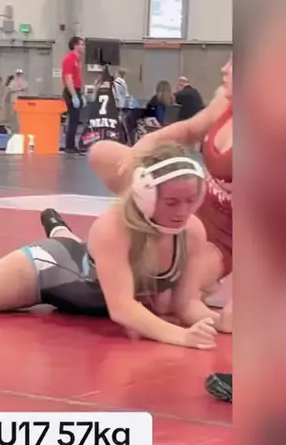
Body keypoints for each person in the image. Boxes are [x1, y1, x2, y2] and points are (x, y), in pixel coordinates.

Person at [0, 142, 219, 350]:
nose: (182, 211)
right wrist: (182, 337)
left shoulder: (191, 232)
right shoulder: (114, 227)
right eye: (171, 202)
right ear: (145, 194)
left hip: (87, 274)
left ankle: (62, 232)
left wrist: (225, 323)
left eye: (191, 200)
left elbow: (186, 306)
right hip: (50, 269)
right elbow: (123, 309)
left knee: (153, 301)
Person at [89, 58, 233, 333]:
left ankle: (195, 278)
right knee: (103, 153)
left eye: (234, 64)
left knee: (165, 304)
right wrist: (142, 151)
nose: (223, 69)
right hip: (191, 203)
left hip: (225, 237)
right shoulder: (224, 101)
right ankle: (134, 232)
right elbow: (187, 131)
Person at [62, 36, 85, 153]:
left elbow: (78, 79)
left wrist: (81, 94)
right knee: (73, 119)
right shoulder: (69, 59)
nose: (84, 47)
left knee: (76, 120)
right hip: (71, 91)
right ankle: (69, 146)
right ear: (75, 46)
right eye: (82, 44)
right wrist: (74, 95)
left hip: (77, 90)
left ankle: (71, 144)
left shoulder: (78, 60)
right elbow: (68, 78)